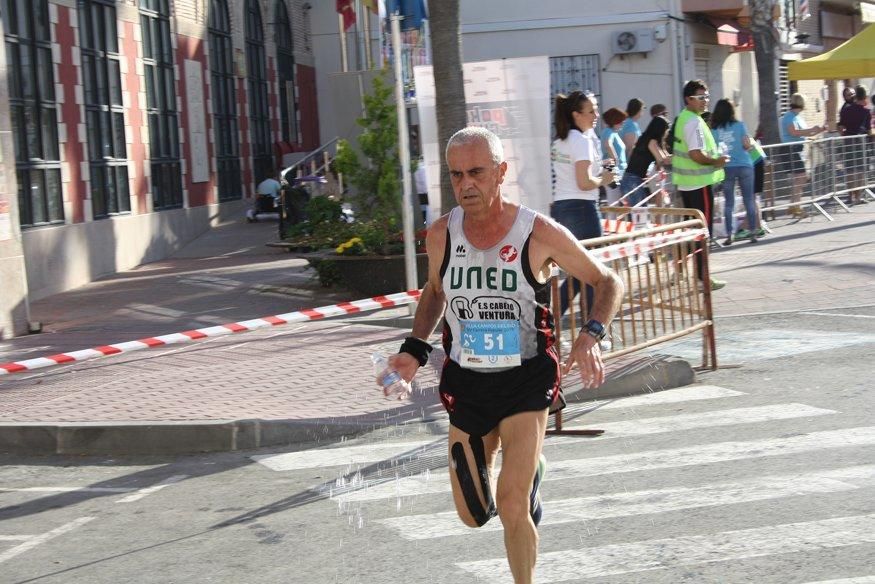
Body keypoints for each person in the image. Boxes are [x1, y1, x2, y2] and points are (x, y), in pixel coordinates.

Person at [384, 126, 624, 584]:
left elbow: (608, 280)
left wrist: (591, 335)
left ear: (500, 173)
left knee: (512, 504)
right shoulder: (441, 235)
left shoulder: (537, 232)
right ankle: (530, 466)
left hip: (526, 379)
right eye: (456, 175)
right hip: (467, 381)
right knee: (474, 514)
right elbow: (435, 292)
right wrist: (413, 351)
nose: (466, 185)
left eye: (477, 172)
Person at [550, 91, 616, 314]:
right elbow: (584, 182)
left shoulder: (561, 140)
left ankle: (549, 322)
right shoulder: (581, 140)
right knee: (592, 272)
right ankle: (591, 330)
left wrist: (598, 170)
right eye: (591, 111)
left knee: (579, 272)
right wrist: (604, 179)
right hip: (582, 208)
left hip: (563, 207)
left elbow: (576, 176)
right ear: (576, 115)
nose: (596, 115)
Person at [670, 80, 729, 290]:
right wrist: (717, 161)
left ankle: (679, 272)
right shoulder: (693, 122)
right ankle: (703, 278)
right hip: (699, 185)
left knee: (690, 232)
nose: (706, 101)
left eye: (707, 97)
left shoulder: (684, 118)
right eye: (701, 97)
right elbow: (696, 154)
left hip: (688, 185)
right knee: (702, 233)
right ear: (689, 99)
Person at [710, 98, 757, 244]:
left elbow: (714, 150)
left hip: (727, 166)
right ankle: (753, 232)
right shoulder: (740, 125)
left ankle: (729, 235)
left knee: (729, 202)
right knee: (749, 199)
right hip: (744, 164)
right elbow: (746, 144)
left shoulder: (715, 130)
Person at [779, 93, 824, 217]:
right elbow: (793, 132)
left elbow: (803, 133)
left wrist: (817, 130)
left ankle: (794, 206)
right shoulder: (788, 117)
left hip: (797, 149)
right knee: (802, 177)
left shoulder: (797, 116)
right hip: (790, 149)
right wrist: (810, 130)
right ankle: (795, 206)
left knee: (799, 178)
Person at [621, 104, 672, 207]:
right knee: (641, 216)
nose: (666, 134)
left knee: (638, 216)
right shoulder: (651, 142)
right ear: (660, 130)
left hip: (632, 180)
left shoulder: (647, 139)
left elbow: (666, 157)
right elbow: (663, 160)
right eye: (665, 130)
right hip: (632, 181)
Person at [837, 85, 873, 205]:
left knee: (850, 170)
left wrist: (844, 136)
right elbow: (869, 130)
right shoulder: (866, 111)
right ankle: (858, 197)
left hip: (848, 140)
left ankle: (851, 196)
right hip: (860, 142)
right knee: (861, 170)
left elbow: (841, 126)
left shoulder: (846, 110)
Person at [600, 107, 628, 210]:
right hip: (612, 169)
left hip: (617, 170)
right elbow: (608, 144)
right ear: (615, 121)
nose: (623, 124)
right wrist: (615, 159)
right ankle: (612, 223)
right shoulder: (608, 131)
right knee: (614, 203)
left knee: (617, 203)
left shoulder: (613, 132)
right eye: (621, 122)